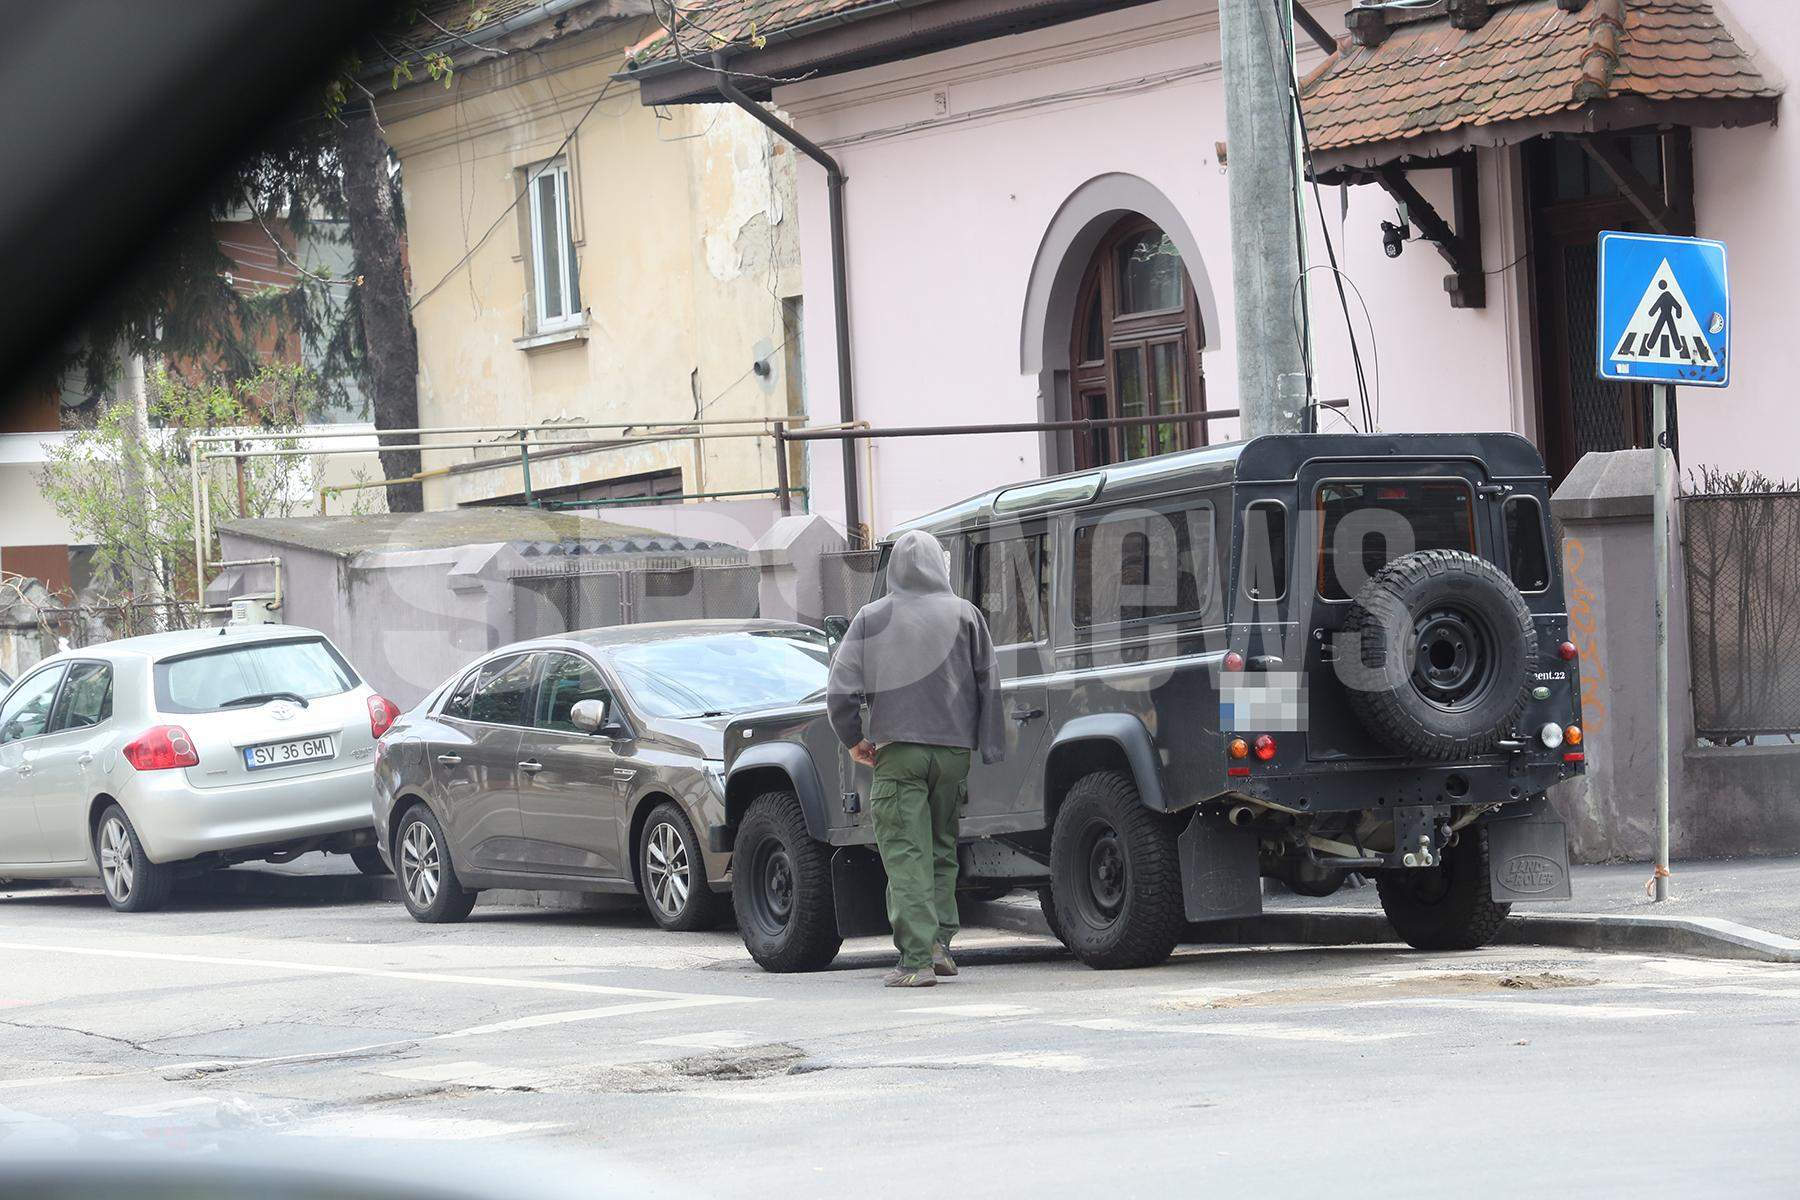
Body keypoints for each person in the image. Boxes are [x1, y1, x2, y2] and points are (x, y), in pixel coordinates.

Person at [827, 529, 1004, 987]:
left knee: (907, 852)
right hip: (952, 755)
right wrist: (989, 745)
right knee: (942, 848)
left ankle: (916, 960)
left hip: (898, 752)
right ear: (939, 566)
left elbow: (839, 690)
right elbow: (989, 682)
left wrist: (853, 739)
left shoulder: (871, 618)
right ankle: (941, 945)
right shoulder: (967, 615)